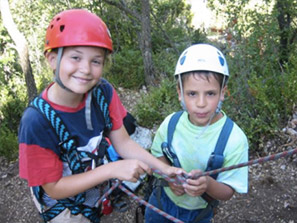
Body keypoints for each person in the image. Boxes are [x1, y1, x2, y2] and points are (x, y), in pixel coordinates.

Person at [18, 9, 182, 223]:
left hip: (93, 190)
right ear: (52, 59)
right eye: (75, 57)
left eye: (96, 61)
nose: (86, 69)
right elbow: (54, 187)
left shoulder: (102, 94)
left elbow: (122, 142)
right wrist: (112, 169)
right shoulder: (36, 122)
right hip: (62, 205)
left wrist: (165, 169)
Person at [145, 44, 249, 223]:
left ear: (222, 93)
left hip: (198, 214)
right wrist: (167, 176)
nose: (201, 103)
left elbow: (227, 191)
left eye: (210, 93)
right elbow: (157, 157)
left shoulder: (234, 139)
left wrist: (208, 184)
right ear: (180, 93)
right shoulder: (171, 124)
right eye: (192, 93)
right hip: (162, 202)